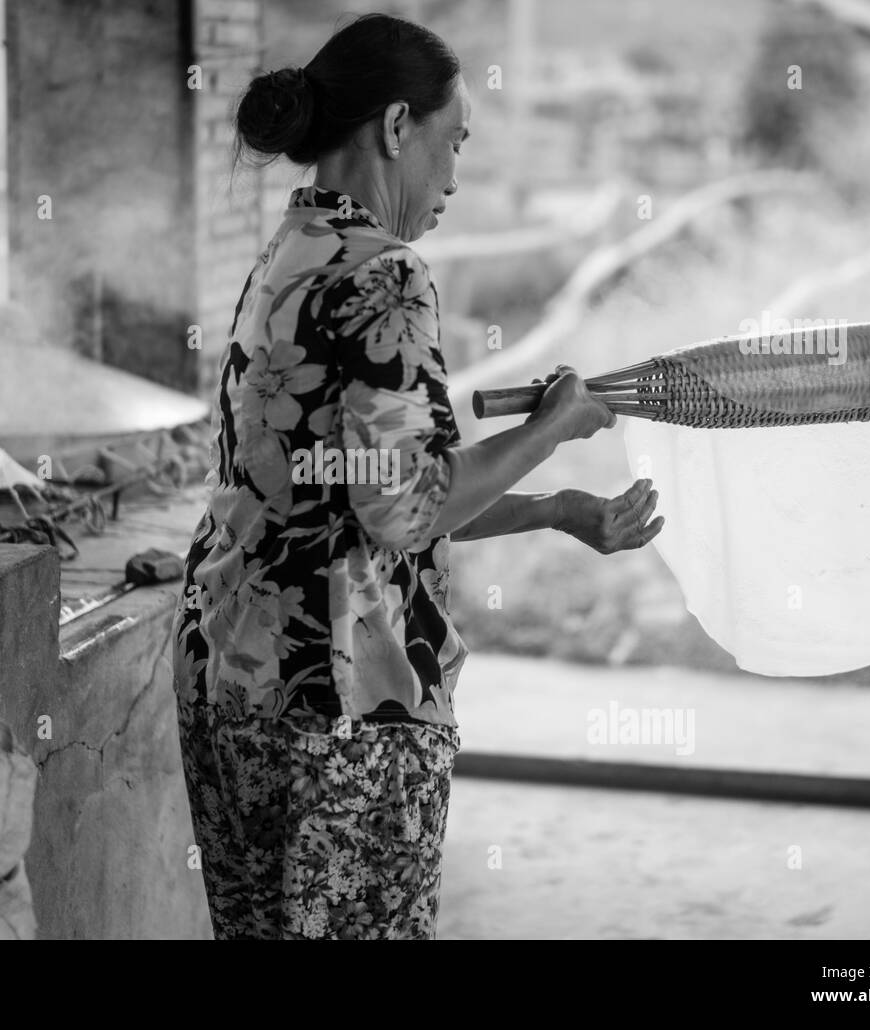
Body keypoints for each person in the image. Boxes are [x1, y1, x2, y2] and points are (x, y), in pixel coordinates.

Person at [171, 12, 662, 941]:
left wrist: (558, 510)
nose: (455, 177)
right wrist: (554, 430)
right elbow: (406, 510)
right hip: (343, 709)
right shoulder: (387, 274)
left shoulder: (284, 259)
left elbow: (360, 493)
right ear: (398, 128)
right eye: (454, 142)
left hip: (231, 681)